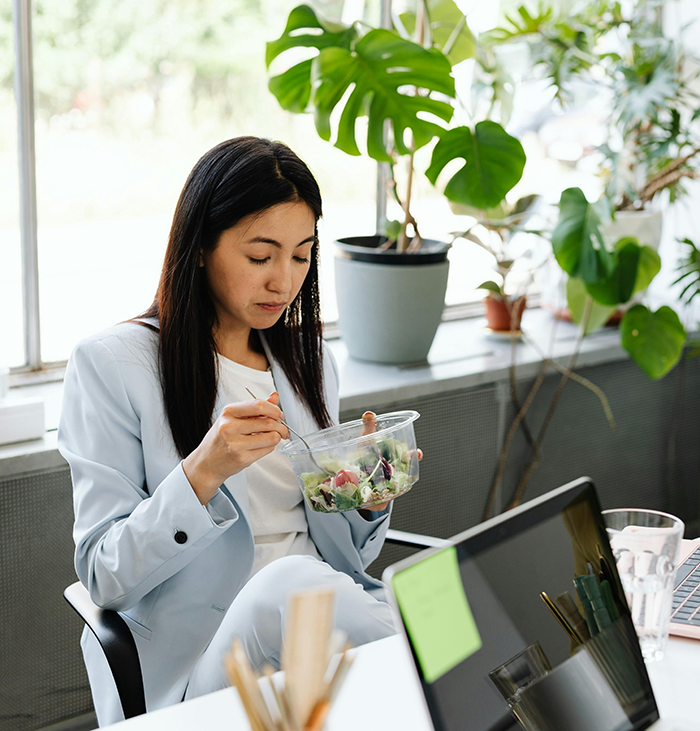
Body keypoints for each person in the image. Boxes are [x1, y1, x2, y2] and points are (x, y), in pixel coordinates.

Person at [59, 136, 399, 727]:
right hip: (208, 665)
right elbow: (104, 575)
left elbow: (343, 559)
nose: (284, 281)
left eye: (301, 255)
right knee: (293, 585)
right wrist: (203, 472)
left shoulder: (311, 364)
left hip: (320, 636)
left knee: (452, 588)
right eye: (261, 256)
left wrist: (365, 501)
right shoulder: (114, 364)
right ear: (199, 248)